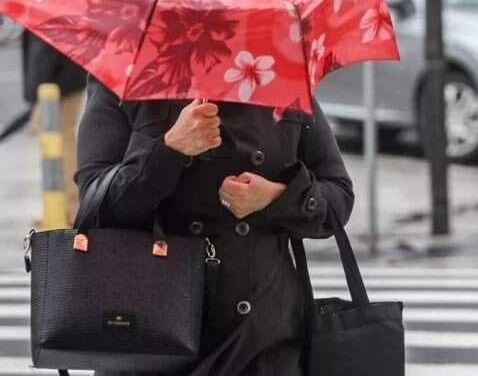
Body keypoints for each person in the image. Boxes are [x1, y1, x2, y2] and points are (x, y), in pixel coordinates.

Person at [75, 77, 354, 376]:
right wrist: (169, 150)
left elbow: (338, 199)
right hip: (151, 334)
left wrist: (276, 197)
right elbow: (97, 206)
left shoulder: (279, 78)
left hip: (262, 340)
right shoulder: (125, 79)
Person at [22, 30, 87, 224]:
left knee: (62, 142)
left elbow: (43, 50)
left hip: (56, 83)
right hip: (65, 77)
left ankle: (72, 207)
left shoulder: (41, 12)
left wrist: (38, 95)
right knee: (62, 141)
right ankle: (63, 207)